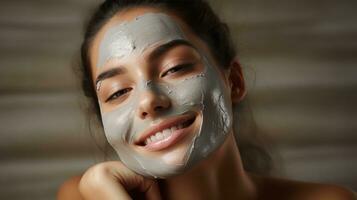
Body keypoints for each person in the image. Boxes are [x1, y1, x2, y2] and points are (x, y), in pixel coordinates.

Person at [57, 0, 356, 199]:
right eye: (118, 92)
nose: (148, 100)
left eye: (174, 68)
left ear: (234, 81)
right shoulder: (88, 195)